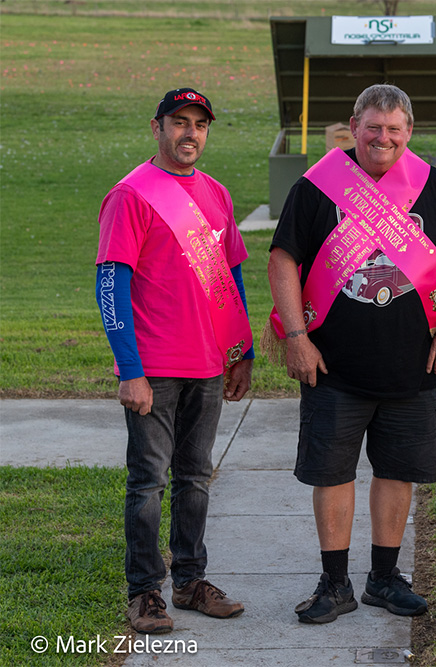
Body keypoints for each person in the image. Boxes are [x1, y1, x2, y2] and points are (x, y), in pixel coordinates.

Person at [267, 84, 436, 624]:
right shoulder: (319, 185)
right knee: (333, 473)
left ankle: (385, 580)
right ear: (354, 126)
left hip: (414, 364)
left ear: (409, 132)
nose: (382, 138)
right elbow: (282, 259)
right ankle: (334, 583)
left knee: (396, 471)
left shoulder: (433, 186)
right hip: (332, 364)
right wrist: (296, 336)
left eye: (394, 129)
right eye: (372, 127)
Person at [96, 88, 254, 634]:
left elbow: (230, 277)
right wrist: (129, 368)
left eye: (200, 125)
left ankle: (189, 582)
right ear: (157, 127)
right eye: (180, 122)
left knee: (196, 477)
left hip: (209, 364)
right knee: (147, 482)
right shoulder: (131, 195)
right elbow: (110, 282)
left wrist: (242, 353)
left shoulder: (216, 193)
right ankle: (144, 593)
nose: (191, 133)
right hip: (154, 366)